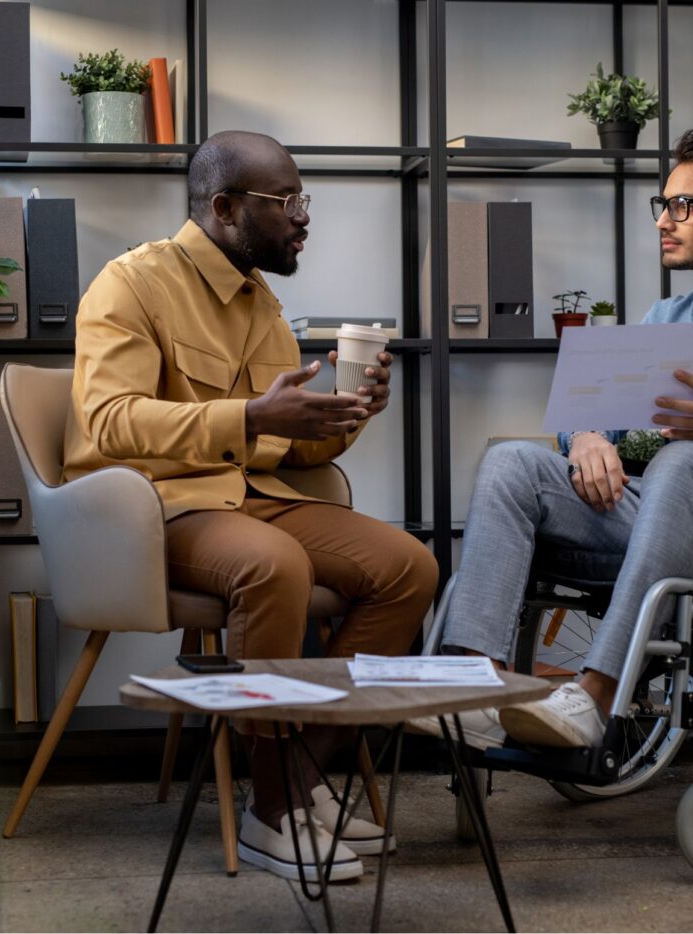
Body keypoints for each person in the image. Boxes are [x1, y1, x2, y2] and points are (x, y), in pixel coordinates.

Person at [413, 129, 693, 750]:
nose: (664, 219)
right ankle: (480, 688)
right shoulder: (667, 318)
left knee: (684, 461)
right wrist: (585, 440)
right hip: (664, 507)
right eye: (662, 203)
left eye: (685, 206)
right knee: (512, 461)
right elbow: (589, 411)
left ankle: (595, 696)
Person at [64, 130, 438, 882]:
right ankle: (275, 811)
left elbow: (284, 449)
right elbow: (110, 422)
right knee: (274, 568)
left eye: (305, 199)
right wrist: (250, 419)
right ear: (226, 207)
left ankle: (299, 776)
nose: (305, 217)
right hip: (153, 508)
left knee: (409, 567)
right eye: (288, 200)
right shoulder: (130, 283)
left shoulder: (262, 300)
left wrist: (344, 416)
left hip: (255, 498)